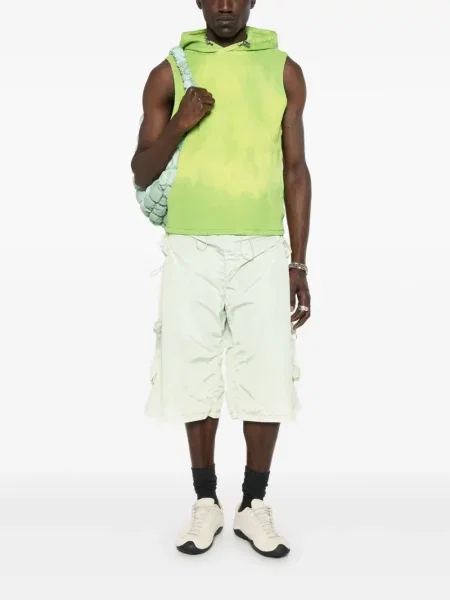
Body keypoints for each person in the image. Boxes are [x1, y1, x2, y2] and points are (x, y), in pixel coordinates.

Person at [131, 0, 311, 559]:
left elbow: (295, 169)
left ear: (253, 0)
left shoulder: (283, 68)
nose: (226, 5)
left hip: (262, 248)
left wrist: (299, 263)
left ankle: (253, 505)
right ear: (199, 1)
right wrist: (180, 121)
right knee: (193, 371)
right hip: (191, 246)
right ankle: (206, 501)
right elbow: (141, 170)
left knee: (268, 372)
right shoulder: (169, 71)